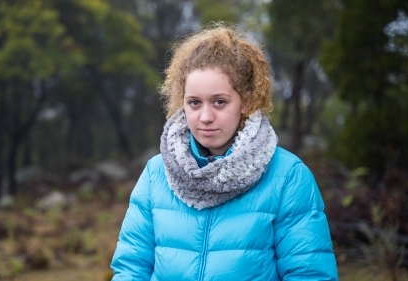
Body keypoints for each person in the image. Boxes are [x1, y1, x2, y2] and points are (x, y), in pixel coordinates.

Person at [110, 24, 339, 280]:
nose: (205, 117)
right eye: (194, 103)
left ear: (247, 101)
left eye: (219, 102)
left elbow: (309, 274)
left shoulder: (288, 176)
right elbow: (131, 269)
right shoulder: (156, 173)